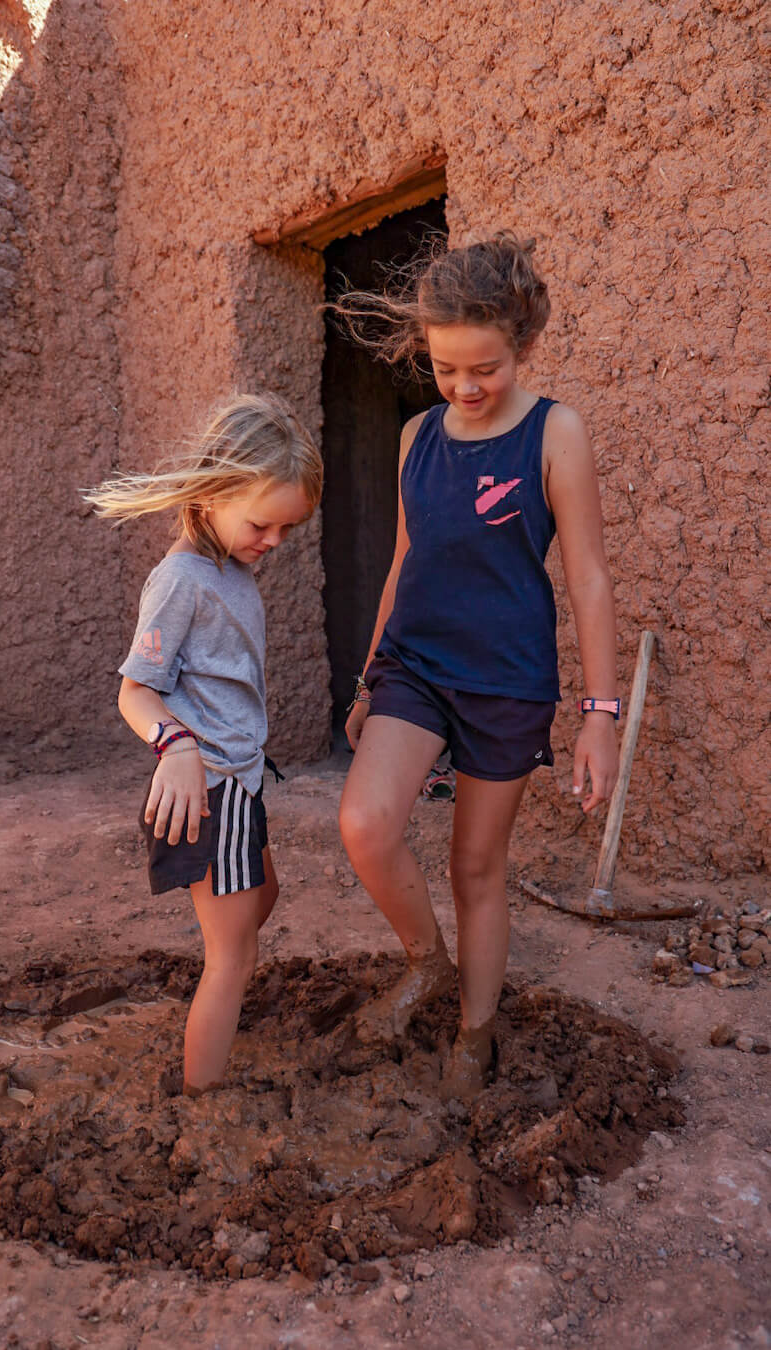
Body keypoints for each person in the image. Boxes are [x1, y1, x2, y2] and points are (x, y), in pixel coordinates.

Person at [333, 232, 620, 1101]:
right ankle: (428, 965)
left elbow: (589, 578)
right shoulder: (418, 433)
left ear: (523, 345)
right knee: (365, 823)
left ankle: (477, 1028)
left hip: (506, 676)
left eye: (484, 368)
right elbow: (402, 560)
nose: (463, 386)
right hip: (415, 664)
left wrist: (599, 715)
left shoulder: (553, 431)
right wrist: (368, 673)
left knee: (475, 867)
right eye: (446, 366)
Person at [84, 394, 322, 1094]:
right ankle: (201, 1099)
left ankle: (219, 999)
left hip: (240, 780)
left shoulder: (231, 567)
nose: (273, 540)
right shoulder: (179, 580)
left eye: (287, 528)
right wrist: (177, 745)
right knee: (232, 958)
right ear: (216, 490)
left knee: (261, 898)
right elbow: (135, 690)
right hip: (210, 786)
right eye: (262, 523)